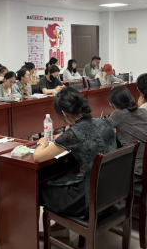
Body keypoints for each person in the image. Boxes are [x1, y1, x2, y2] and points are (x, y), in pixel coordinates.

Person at [34, 87, 116, 217]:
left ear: (64, 113)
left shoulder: (73, 133)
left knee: (41, 189)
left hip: (88, 197)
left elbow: (38, 157)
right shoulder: (106, 122)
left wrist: (42, 143)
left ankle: (59, 225)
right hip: (111, 190)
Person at [109, 85, 147, 176]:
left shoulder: (117, 114)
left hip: (135, 166)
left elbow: (103, 130)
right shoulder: (143, 111)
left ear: (114, 104)